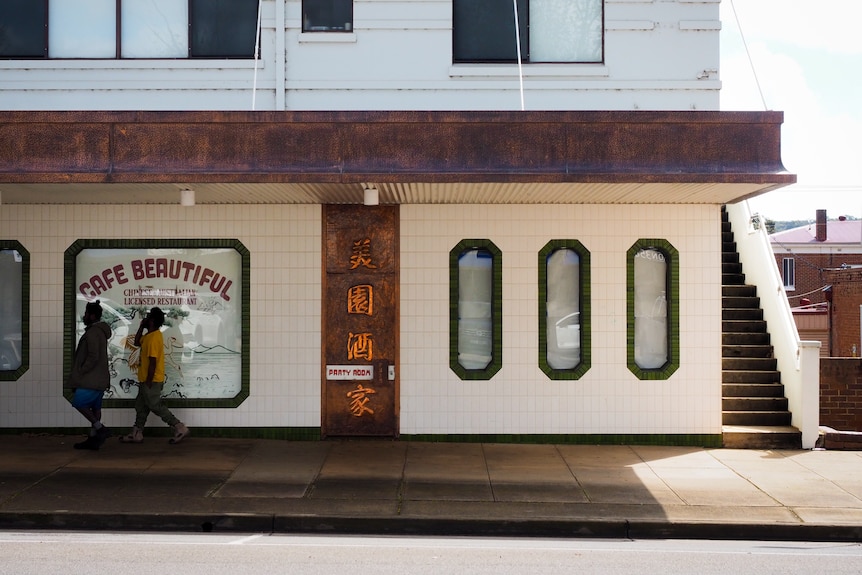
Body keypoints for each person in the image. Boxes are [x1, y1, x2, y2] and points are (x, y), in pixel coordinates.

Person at [119, 307, 190, 444]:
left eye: (148, 317)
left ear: (151, 320)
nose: (145, 319)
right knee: (141, 406)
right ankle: (137, 433)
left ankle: (179, 427)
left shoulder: (154, 338)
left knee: (155, 405)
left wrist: (149, 381)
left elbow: (153, 361)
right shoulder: (150, 336)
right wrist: (141, 327)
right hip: (145, 378)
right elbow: (136, 342)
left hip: (151, 379)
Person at [68, 300, 112, 450]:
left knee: (79, 403)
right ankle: (93, 439)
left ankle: (100, 428)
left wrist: (81, 370)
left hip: (90, 379)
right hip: (99, 378)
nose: (84, 316)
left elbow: (93, 356)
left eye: (86, 313)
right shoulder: (100, 332)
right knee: (95, 408)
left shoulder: (93, 333)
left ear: (92, 316)